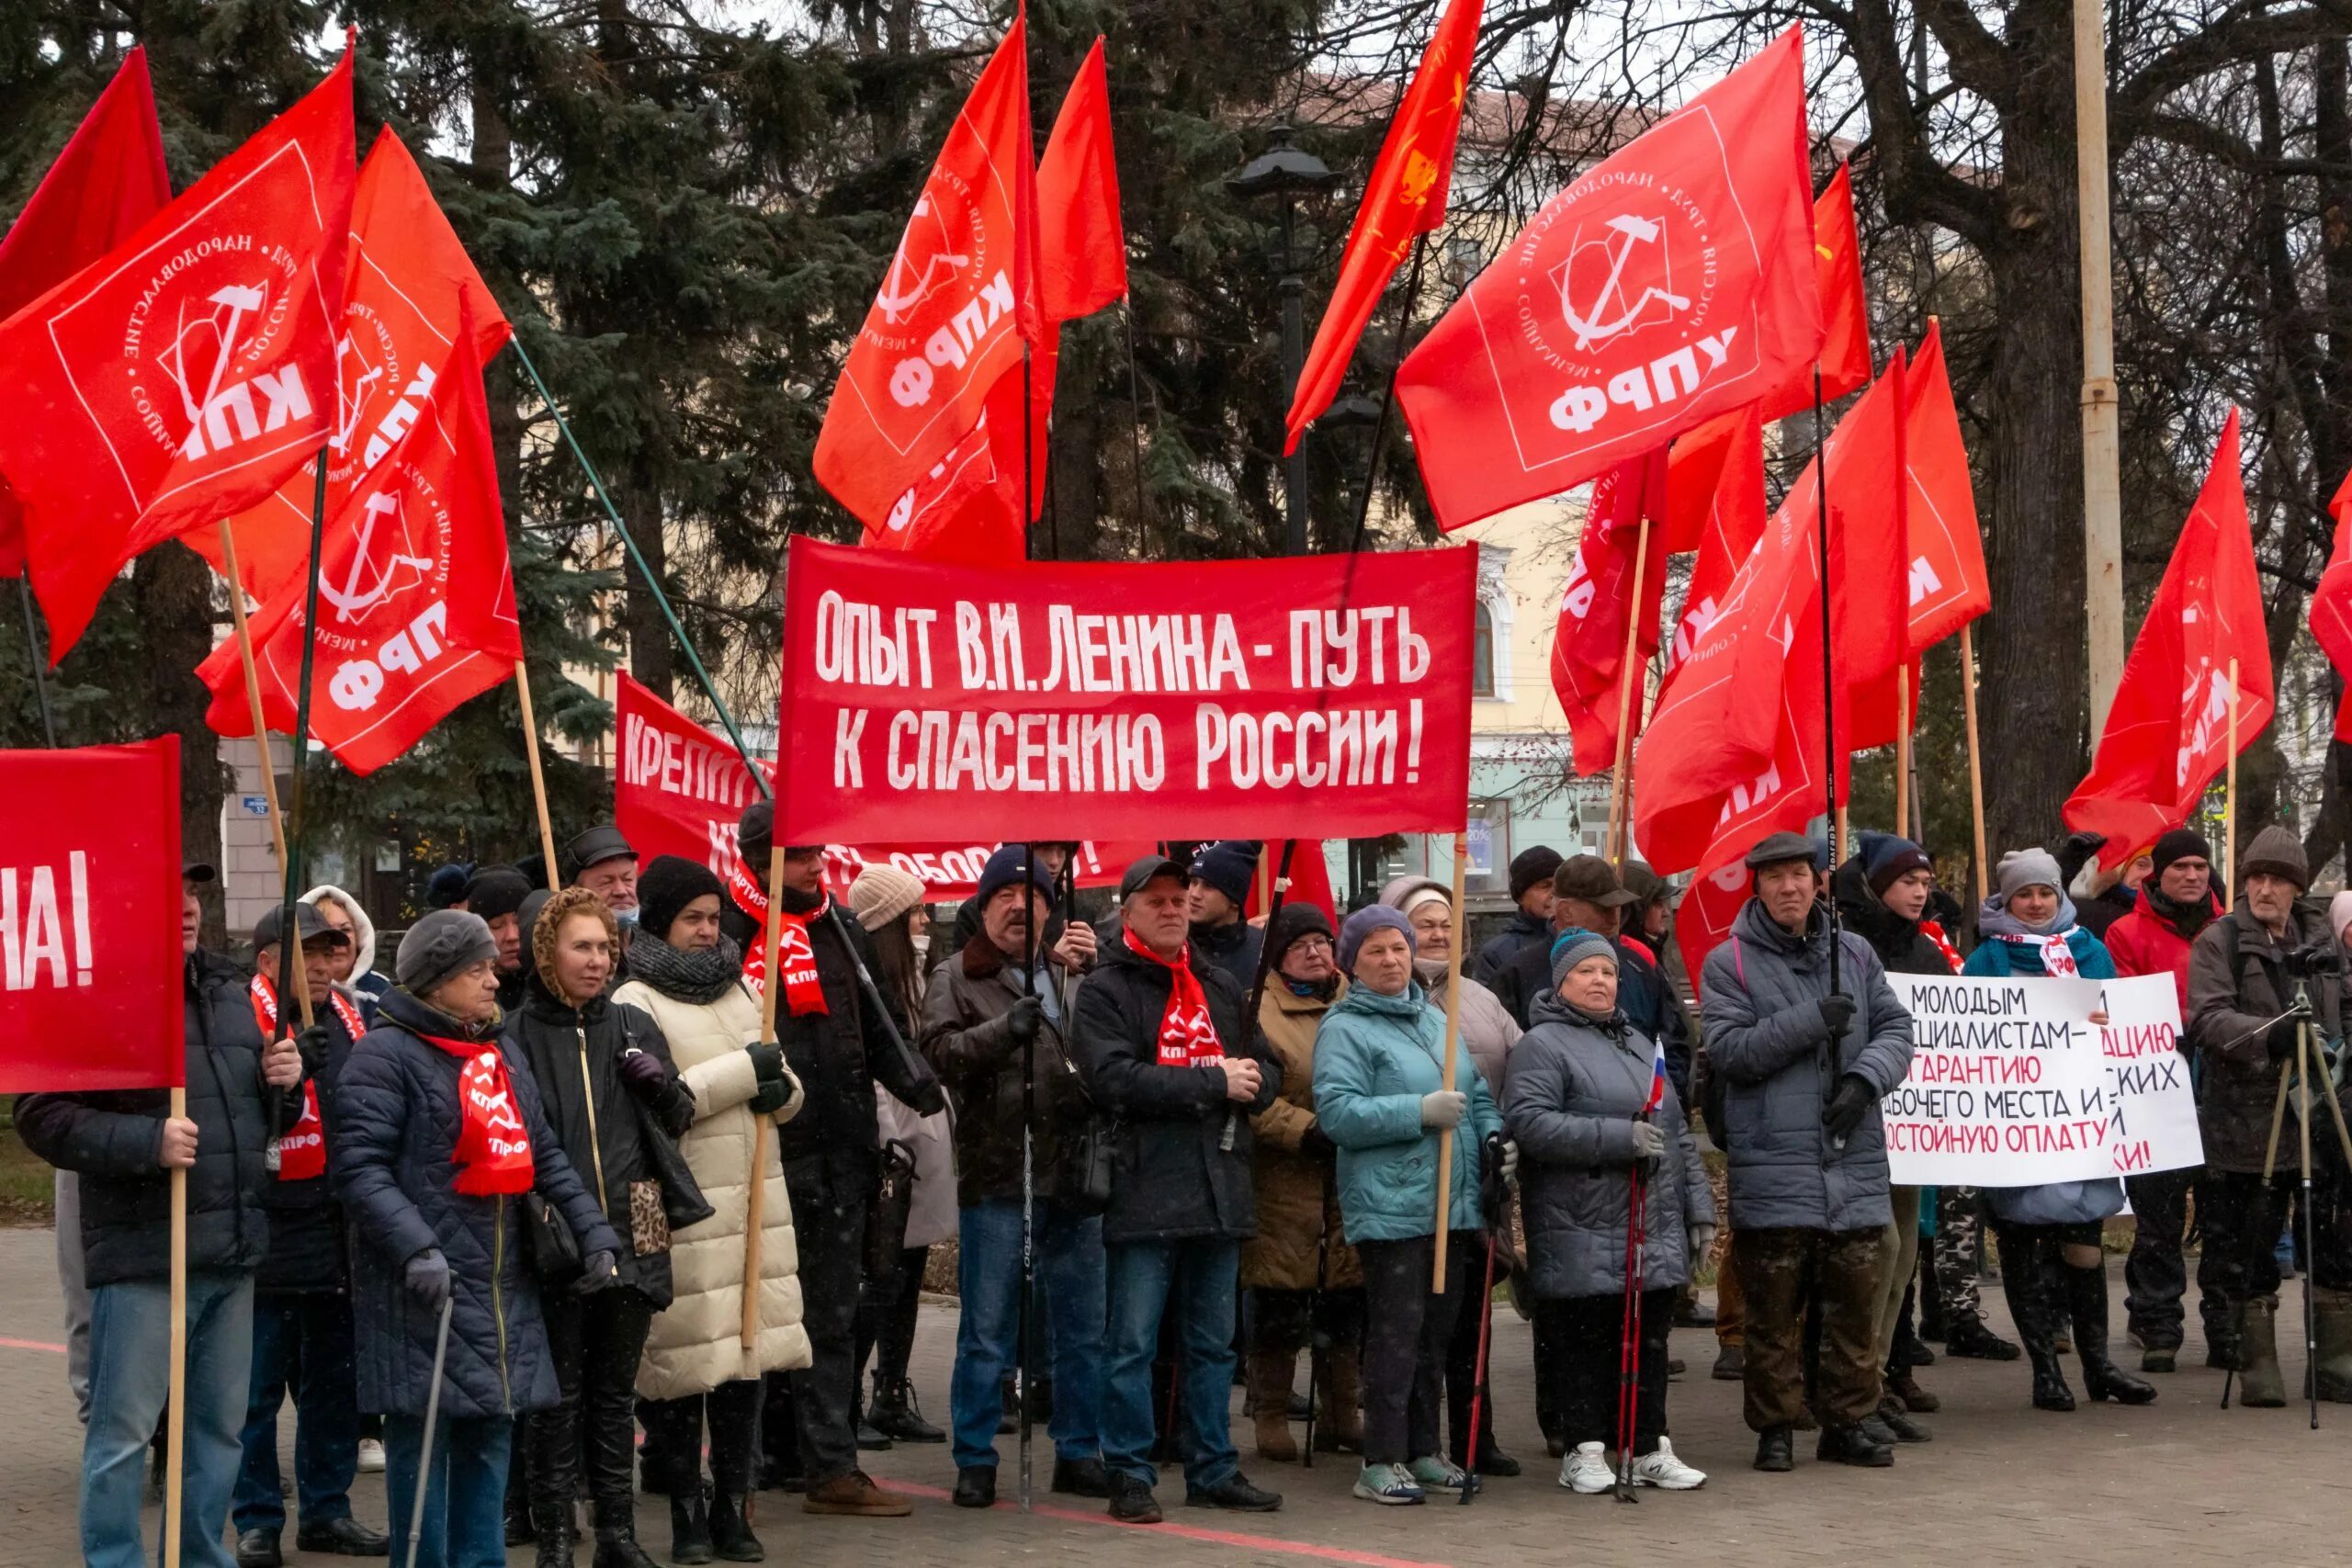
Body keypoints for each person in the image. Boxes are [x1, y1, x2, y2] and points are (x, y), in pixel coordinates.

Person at [17, 864, 305, 1568]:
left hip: (229, 1255)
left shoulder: (233, 991)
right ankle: (116, 1559)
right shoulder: (99, 997)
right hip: (144, 1258)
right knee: (123, 1435)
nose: (184, 907)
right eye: (163, 892)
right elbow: (41, 1114)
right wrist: (148, 1141)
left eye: (193, 893)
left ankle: (202, 1555)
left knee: (216, 1432)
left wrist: (285, 1088)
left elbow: (253, 1119)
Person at [332, 910, 622, 1568]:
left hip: (499, 1290)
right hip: (423, 1294)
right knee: (424, 1449)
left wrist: (593, 1230)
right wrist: (415, 1246)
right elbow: (359, 1168)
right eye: (477, 968)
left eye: (492, 965)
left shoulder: (496, 1049)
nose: (494, 978)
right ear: (436, 980)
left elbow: (543, 1153)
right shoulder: (385, 1054)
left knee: (490, 1442)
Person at [724, 805, 947, 1517]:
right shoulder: (730, 934)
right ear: (761, 860)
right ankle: (745, 1463)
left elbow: (872, 1024)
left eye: (819, 852)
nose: (818, 866)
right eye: (801, 855)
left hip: (841, 1152)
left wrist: (913, 1078)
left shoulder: (839, 928)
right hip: (764, 1154)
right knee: (753, 1315)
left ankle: (830, 1464)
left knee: (832, 1315)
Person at [1071, 852, 1284, 1524]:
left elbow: (1266, 1066)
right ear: (1127, 910)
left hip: (1218, 1188)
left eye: (1179, 897)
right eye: (1156, 899)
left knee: (1214, 1344)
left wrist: (1251, 1082)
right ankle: (1130, 1471)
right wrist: (1212, 1082)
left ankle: (1212, 1466)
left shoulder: (1220, 983)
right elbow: (1114, 1079)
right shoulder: (1107, 989)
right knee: (1132, 1343)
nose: (1172, 907)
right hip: (1143, 1187)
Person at [611, 855, 812, 1555]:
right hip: (686, 1210)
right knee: (681, 1370)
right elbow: (664, 1100)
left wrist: (775, 1088)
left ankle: (734, 1508)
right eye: (691, 918)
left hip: (754, 1206)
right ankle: (686, 1516)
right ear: (660, 923)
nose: (706, 930)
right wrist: (744, 1073)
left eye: (713, 916)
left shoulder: (741, 989)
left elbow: (784, 1086)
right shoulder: (633, 1000)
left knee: (743, 1363)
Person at [1699, 830, 1914, 1473]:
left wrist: (1864, 1078)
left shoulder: (1854, 951)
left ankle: (1847, 1418)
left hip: (1853, 1156)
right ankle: (1776, 1424)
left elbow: (1897, 1027)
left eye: (1800, 874)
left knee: (1851, 1301)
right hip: (1775, 1162)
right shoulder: (1728, 963)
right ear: (1757, 886)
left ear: (1819, 880)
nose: (1789, 887)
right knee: (1774, 1307)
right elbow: (1733, 1052)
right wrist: (1812, 1019)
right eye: (1774, 878)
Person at [504, 889, 706, 1566]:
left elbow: (677, 1117)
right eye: (581, 946)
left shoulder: (631, 1024)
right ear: (546, 952)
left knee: (616, 1392)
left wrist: (659, 1085)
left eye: (604, 947)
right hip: (558, 1231)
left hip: (637, 1219)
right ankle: (557, 1538)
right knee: (557, 1396)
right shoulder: (517, 1034)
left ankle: (617, 1534)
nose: (597, 960)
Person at [922, 846, 1109, 1507]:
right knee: (987, 1328)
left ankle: (1078, 1449)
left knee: (1082, 1326)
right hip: (1000, 1171)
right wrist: (1006, 1028)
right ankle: (975, 1456)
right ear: (985, 903)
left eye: (1034, 901)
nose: (1020, 910)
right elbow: (939, 1053)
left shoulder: (1070, 977)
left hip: (1071, 1173)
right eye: (1008, 898)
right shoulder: (956, 973)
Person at [1507, 929, 1713, 1494]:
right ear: (1561, 981)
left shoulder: (1640, 1043)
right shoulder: (1540, 1045)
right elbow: (1531, 1123)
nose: (1600, 982)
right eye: (1586, 972)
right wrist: (1617, 1138)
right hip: (1581, 1223)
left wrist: (1699, 1208)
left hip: (1652, 1221)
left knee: (1649, 1340)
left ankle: (1647, 1445)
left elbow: (1676, 1135)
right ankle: (1585, 1446)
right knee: (1587, 1340)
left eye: (1608, 973)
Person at [1312, 906, 1503, 1506]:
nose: (1392, 960)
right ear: (1353, 963)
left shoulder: (1433, 1018)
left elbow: (1473, 1092)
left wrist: (1496, 1135)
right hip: (1393, 1201)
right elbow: (1339, 1113)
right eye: (1376, 951)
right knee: (1396, 1330)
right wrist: (1417, 1112)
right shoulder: (1345, 1028)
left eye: (1399, 947)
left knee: (1435, 1334)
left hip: (1452, 1202)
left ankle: (1424, 1448)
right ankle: (1382, 1456)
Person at [1962, 851, 2157, 1413]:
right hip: (2020, 1126)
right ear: (2007, 900)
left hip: (2082, 1126)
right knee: (2024, 1244)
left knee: (2083, 1245)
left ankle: (2097, 1366)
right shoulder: (1986, 960)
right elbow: (1971, 1038)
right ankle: (2046, 1371)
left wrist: (2102, 1024)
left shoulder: (2087, 951)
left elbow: (2116, 1018)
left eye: (2045, 892)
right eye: (2025, 895)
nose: (2037, 903)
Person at [232, 903, 386, 1567]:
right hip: (270, 1226)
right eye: (309, 953)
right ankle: (258, 1517)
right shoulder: (244, 1021)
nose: (323, 965)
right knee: (258, 1386)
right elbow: (245, 1121)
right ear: (269, 960)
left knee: (335, 1383)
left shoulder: (351, 1018)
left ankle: (326, 1509)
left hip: (339, 1224)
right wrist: (289, 1080)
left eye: (332, 952)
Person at [2187, 825, 2342, 1404]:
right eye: (2255, 877)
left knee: (2332, 1233)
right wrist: (2273, 1036)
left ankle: (2333, 1359)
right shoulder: (2219, 941)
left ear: (2297, 888)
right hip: (2249, 1116)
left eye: (2277, 879)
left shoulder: (2322, 939)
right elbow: (2207, 1018)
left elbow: (2345, 1002)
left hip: (2321, 1111)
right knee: (2252, 1240)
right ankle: (2258, 1361)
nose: (2264, 889)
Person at [1378, 874, 1522, 1475]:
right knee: (1417, 1324)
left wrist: (1504, 1133)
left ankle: (1474, 1434)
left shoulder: (1482, 997)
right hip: (1411, 1183)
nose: (1438, 933)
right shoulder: (1383, 999)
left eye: (1447, 923)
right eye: (1425, 923)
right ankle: (1413, 1441)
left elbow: (1519, 1062)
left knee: (1472, 1317)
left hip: (1478, 1177)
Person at [1830, 833, 1953, 1441]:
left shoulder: (1929, 952)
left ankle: (1874, 1381)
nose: (1920, 891)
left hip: (1914, 1131)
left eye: (1926, 883)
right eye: (1909, 881)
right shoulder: (1849, 947)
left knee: (1902, 1252)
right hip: (1860, 1125)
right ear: (1877, 884)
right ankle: (1850, 1387)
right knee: (1872, 1250)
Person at [1241, 902, 1363, 1464]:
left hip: (1350, 1178)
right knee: (1281, 1305)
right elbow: (1252, 1097)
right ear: (1275, 955)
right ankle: (1269, 1412)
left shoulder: (1358, 1002)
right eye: (1299, 945)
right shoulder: (1255, 1012)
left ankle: (1343, 1411)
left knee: (1346, 1301)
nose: (1315, 953)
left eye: (1322, 941)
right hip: (1285, 1182)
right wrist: (1305, 1130)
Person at [2101, 827, 2222, 1371]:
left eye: (2200, 866)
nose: (2192, 876)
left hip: (2223, 1087)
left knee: (2224, 1213)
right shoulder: (2125, 933)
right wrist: (2179, 1025)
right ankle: (2156, 1326)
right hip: (2156, 1090)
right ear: (2158, 873)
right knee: (2157, 1218)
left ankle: (2228, 1327)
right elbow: (2124, 998)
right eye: (2181, 868)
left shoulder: (2231, 930)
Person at [847, 863, 956, 1452]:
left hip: (925, 1142)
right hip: (894, 1149)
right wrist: (890, 1145)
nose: (923, 921)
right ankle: (851, 1401)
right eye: (913, 912)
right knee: (880, 1277)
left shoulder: (919, 978)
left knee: (909, 1276)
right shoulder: (870, 985)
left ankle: (891, 1390)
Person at [1473, 846, 1562, 986]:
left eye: (1560, 885)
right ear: (1520, 896)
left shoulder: (1584, 939)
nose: (1554, 893)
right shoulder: (1497, 953)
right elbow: (1489, 1005)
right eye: (1545, 886)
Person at [1186, 840, 1266, 992]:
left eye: (1208, 886)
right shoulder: (1174, 947)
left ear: (1234, 901)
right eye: (1193, 882)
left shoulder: (1265, 949)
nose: (1195, 894)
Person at [306, 885, 392, 1023]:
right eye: (328, 932)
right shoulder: (294, 996)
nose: (339, 942)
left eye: (345, 930)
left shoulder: (382, 990)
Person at [464, 865, 535, 1013]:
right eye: (497, 925)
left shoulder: (559, 990)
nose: (512, 936)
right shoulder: (461, 1002)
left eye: (519, 921)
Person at [565, 826, 640, 925]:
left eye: (627, 879)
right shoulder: (562, 940)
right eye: (606, 882)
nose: (621, 891)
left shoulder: (655, 939)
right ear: (577, 892)